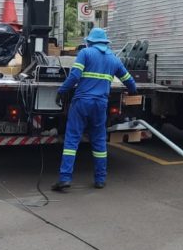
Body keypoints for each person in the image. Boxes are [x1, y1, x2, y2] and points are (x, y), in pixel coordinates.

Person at [51, 27, 137, 192]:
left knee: (71, 141)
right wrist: (133, 90)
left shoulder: (86, 53)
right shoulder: (114, 59)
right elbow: (128, 80)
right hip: (100, 105)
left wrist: (62, 91)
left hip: (82, 103)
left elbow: (75, 76)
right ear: (106, 42)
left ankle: (65, 179)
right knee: (99, 141)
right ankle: (100, 179)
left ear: (90, 41)